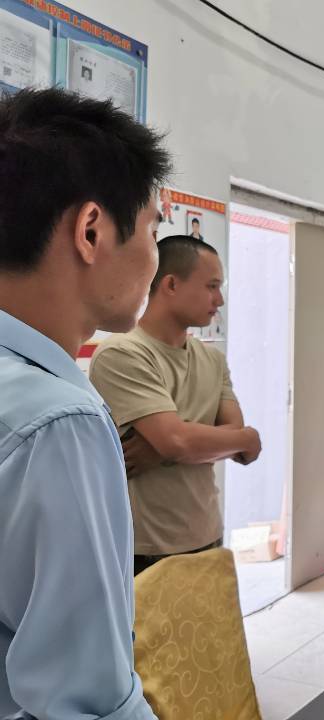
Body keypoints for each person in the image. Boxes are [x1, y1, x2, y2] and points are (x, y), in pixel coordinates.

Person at [0, 87, 169, 718]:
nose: (155, 254)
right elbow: (86, 703)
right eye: (153, 226)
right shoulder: (57, 422)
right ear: (91, 230)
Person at [89, 235, 261, 574]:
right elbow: (180, 440)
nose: (220, 300)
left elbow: (239, 441)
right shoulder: (122, 353)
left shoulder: (212, 360)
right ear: (170, 284)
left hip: (206, 535)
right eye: (212, 286)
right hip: (144, 548)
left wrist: (169, 448)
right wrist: (234, 439)